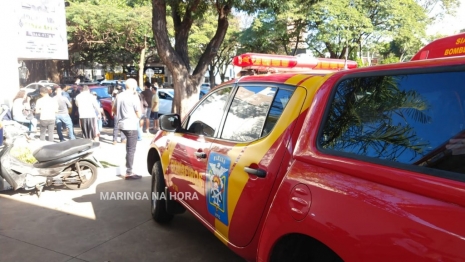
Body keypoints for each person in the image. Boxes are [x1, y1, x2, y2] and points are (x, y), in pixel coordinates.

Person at [113, 78, 142, 179]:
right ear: (134, 86)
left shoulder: (119, 95)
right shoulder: (134, 97)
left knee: (129, 148)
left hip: (121, 123)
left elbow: (114, 109)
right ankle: (129, 172)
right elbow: (138, 113)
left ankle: (129, 168)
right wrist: (140, 118)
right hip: (130, 125)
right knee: (131, 149)